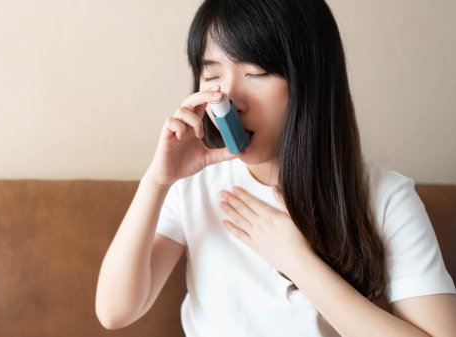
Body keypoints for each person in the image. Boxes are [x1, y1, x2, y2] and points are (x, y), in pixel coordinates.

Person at [94, 0, 456, 336]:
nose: (228, 99)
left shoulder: (385, 197)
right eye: (212, 75)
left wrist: (299, 262)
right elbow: (115, 312)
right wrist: (158, 181)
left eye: (256, 72)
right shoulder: (194, 184)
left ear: (309, 82)